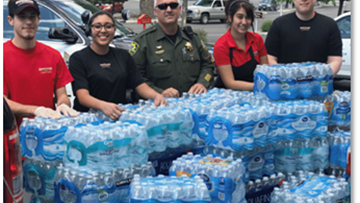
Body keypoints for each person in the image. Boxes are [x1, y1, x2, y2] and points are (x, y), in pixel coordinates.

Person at [69, 11, 167, 120]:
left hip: (117, 117)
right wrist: (103, 106)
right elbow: (82, 97)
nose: (103, 30)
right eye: (97, 26)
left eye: (108, 26)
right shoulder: (78, 58)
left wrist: (157, 96)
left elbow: (140, 86)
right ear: (89, 30)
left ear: (114, 30)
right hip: (88, 120)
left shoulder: (123, 56)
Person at [3, 0, 78, 127]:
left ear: (38, 20)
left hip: (47, 134)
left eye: (32, 17)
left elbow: (62, 95)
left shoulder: (53, 55)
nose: (28, 22)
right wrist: (36, 110)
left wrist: (63, 105)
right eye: (22, 17)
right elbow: (3, 103)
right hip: (11, 135)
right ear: (10, 20)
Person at [130, 0, 215, 98]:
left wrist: (202, 83)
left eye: (173, 5)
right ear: (155, 11)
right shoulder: (143, 41)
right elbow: (135, 77)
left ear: (179, 10)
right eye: (163, 6)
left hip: (193, 102)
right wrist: (159, 93)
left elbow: (208, 64)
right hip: (158, 106)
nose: (169, 10)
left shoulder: (192, 38)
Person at [265, 0, 342, 75]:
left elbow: (335, 60)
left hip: (318, 84)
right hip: (285, 84)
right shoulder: (278, 24)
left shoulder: (329, 25)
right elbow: (269, 57)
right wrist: (283, 76)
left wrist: (323, 78)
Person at [213, 0, 268, 91]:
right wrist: (259, 87)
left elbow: (266, 71)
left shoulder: (257, 39)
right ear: (230, 18)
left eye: (248, 18)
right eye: (240, 17)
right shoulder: (221, 45)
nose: (244, 22)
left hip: (256, 96)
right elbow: (230, 83)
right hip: (228, 98)